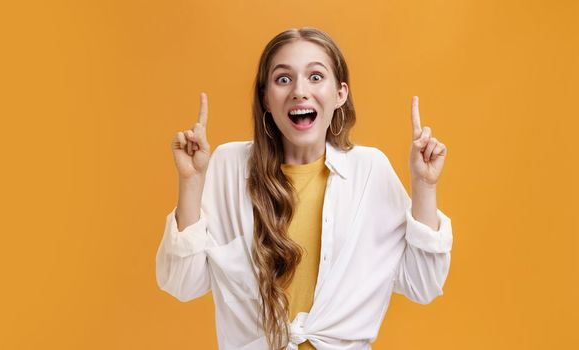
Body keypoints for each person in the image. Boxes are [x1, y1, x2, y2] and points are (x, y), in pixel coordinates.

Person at [156, 27, 453, 350]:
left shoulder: (370, 171)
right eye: (283, 79)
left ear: (340, 94)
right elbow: (182, 283)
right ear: (266, 98)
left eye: (315, 77)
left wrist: (424, 186)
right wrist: (191, 182)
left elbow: (423, 284)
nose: (299, 91)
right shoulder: (228, 166)